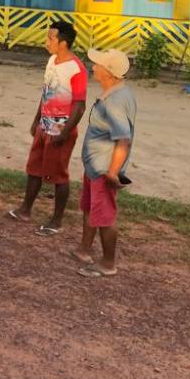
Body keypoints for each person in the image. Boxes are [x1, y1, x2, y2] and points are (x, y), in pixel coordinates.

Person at [8, 20, 87, 235]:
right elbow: (46, 93)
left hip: (60, 129)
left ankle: (57, 220)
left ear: (63, 43)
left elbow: (80, 106)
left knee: (58, 175)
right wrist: (37, 120)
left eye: (50, 38)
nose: (46, 42)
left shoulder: (77, 69)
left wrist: (64, 133)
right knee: (34, 168)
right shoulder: (52, 61)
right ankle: (25, 209)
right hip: (44, 126)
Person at [68, 49, 137, 278]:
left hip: (103, 168)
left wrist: (112, 173)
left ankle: (108, 263)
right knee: (90, 208)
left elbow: (123, 140)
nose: (93, 67)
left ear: (108, 72)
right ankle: (84, 249)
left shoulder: (114, 103)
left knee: (105, 216)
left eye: (97, 65)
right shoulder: (119, 93)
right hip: (95, 164)